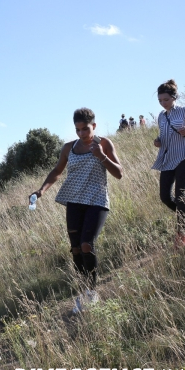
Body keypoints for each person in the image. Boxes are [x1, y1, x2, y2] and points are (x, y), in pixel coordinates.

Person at [30, 108, 123, 314]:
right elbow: (57, 171)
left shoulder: (104, 144)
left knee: (87, 245)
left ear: (94, 126)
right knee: (75, 250)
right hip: (74, 201)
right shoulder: (68, 148)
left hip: (97, 201)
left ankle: (92, 293)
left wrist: (102, 157)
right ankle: (83, 293)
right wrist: (42, 190)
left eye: (85, 129)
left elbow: (119, 173)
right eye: (78, 129)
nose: (81, 133)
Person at [151, 80, 185, 247]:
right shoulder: (161, 116)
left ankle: (182, 234)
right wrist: (158, 141)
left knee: (180, 195)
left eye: (166, 99)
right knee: (165, 197)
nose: (163, 103)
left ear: (174, 97)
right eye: (160, 101)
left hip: (184, 155)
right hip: (168, 159)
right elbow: (163, 135)